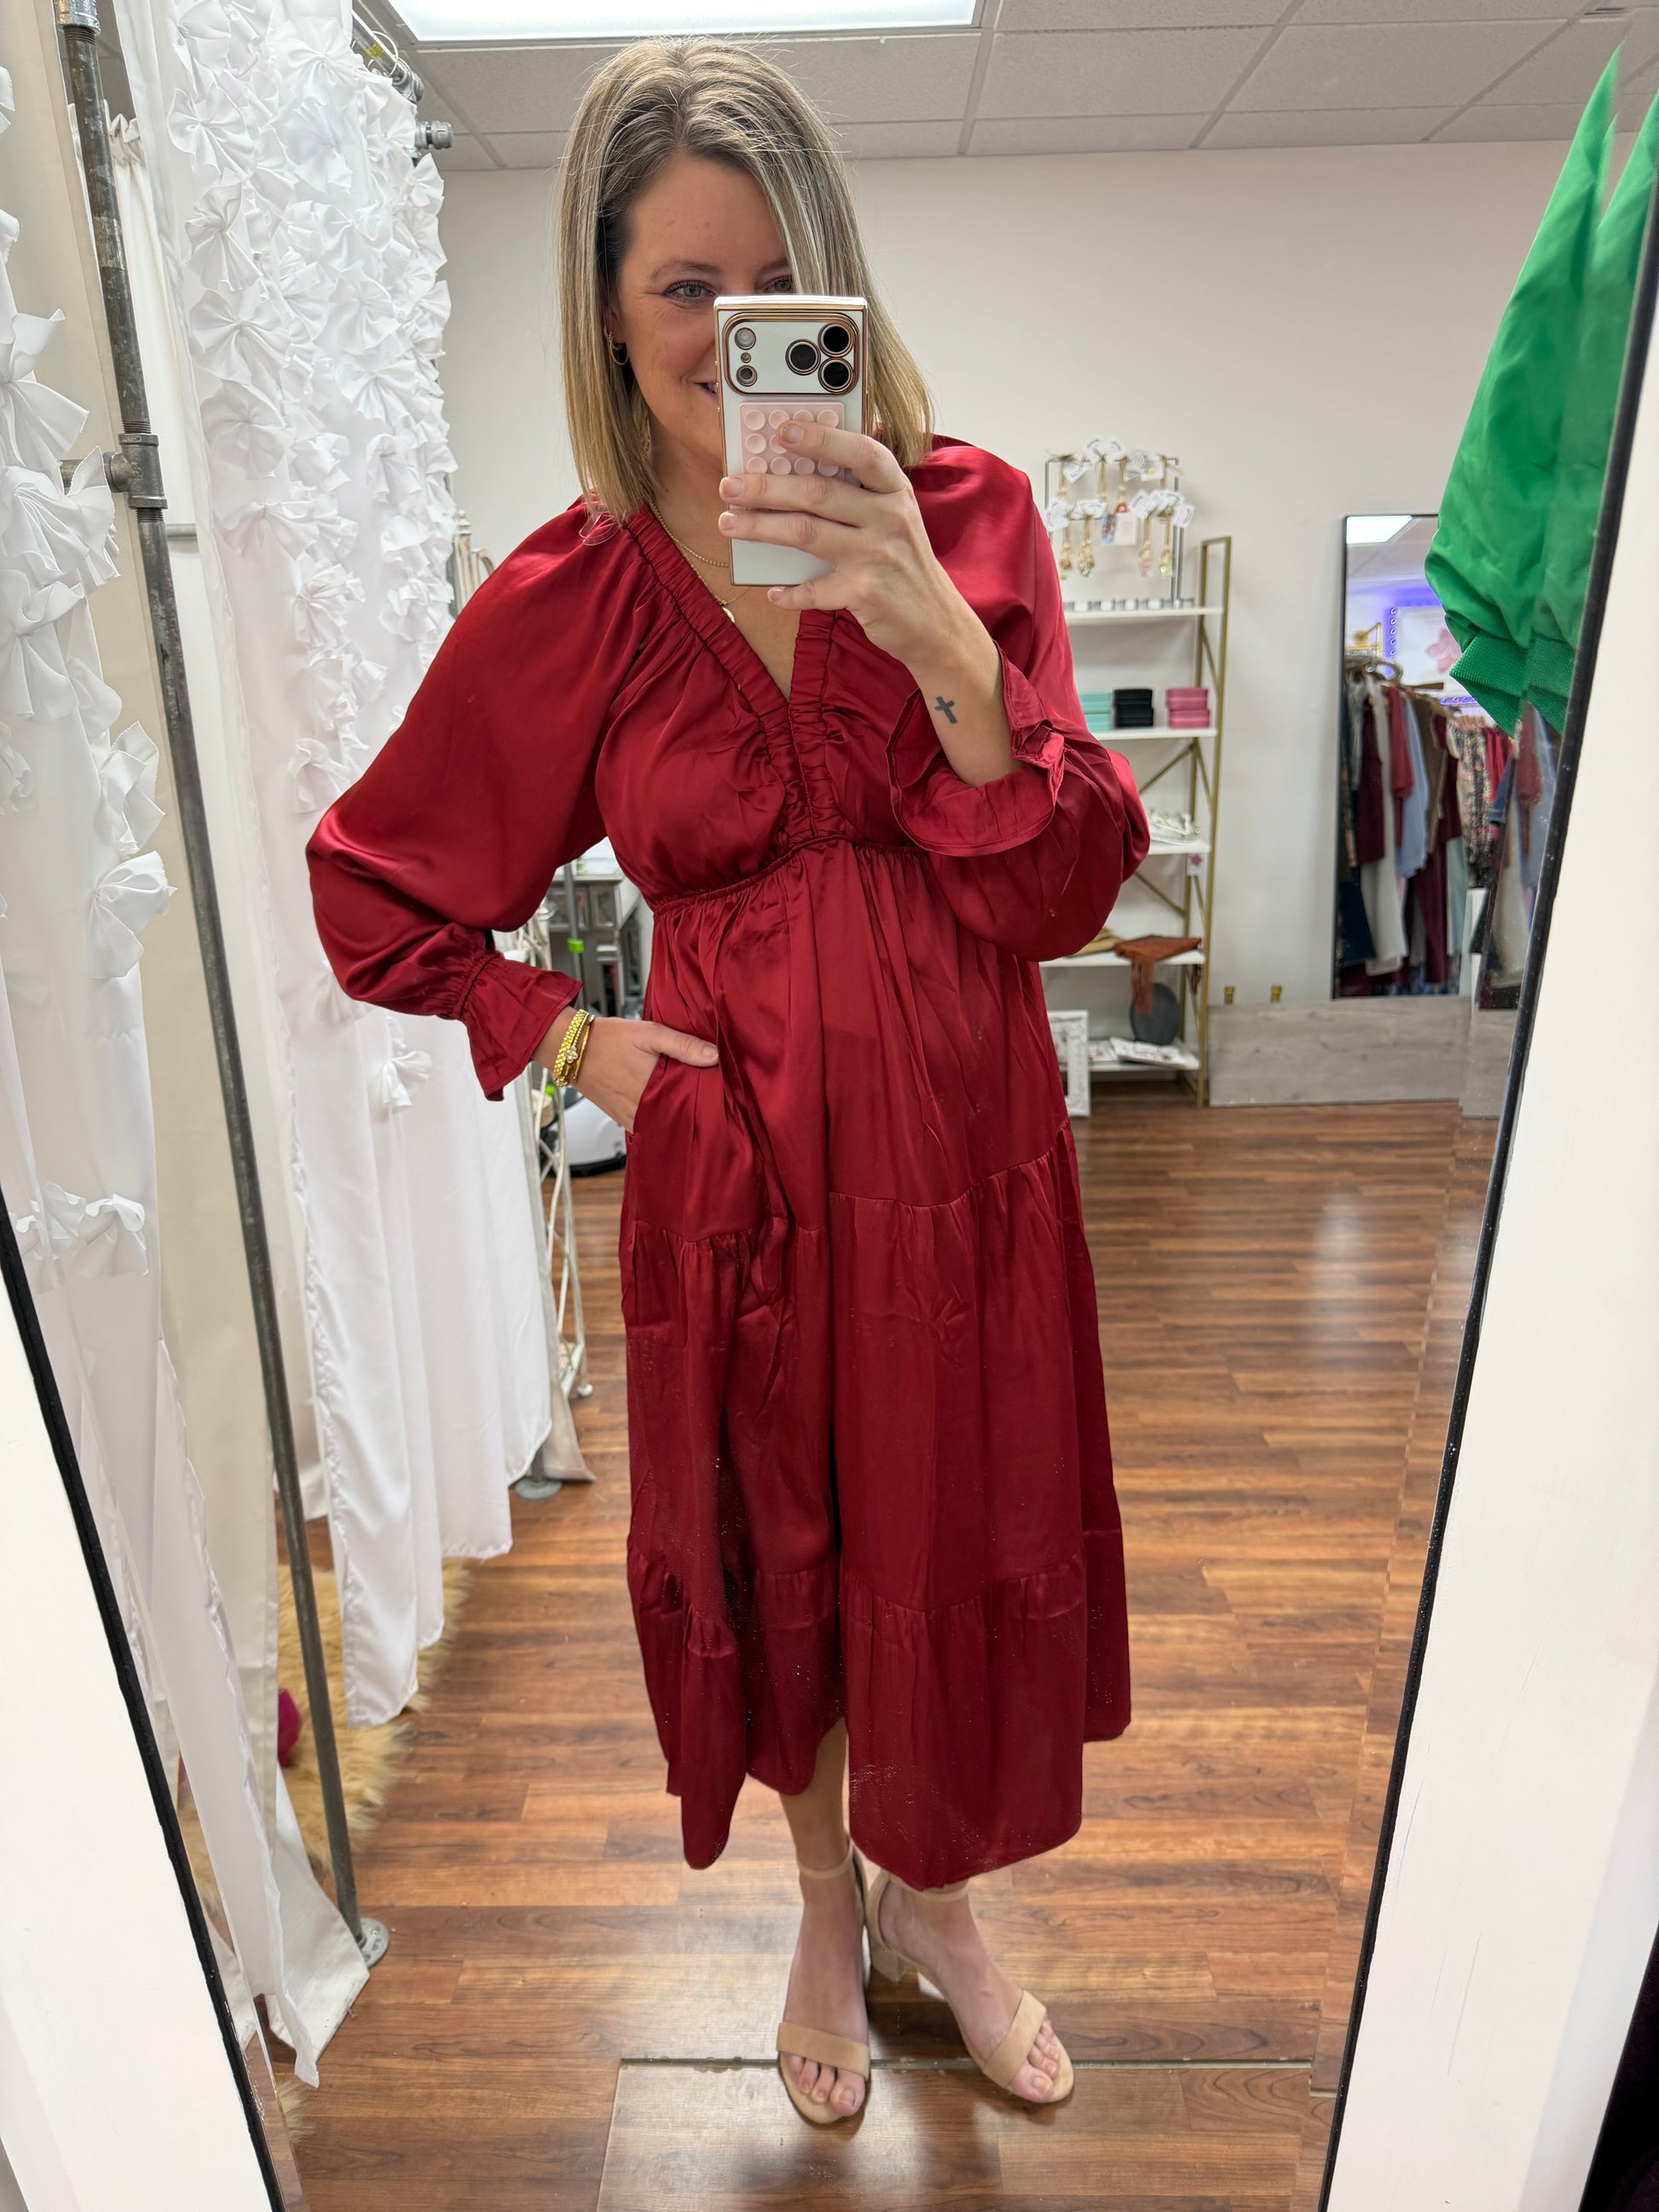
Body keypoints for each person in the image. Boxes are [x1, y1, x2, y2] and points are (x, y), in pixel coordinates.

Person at [307, 35, 1147, 2128]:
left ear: (839, 293)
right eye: (686, 287)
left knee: (953, 1527)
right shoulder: (573, 594)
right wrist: (572, 1037)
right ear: (607, 308)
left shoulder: (968, 515)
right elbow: (373, 884)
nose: (729, 332)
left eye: (779, 286)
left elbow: (1062, 880)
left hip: (963, 1158)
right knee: (789, 1553)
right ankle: (822, 1902)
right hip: (741, 1163)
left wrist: (935, 634)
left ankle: (942, 1905)